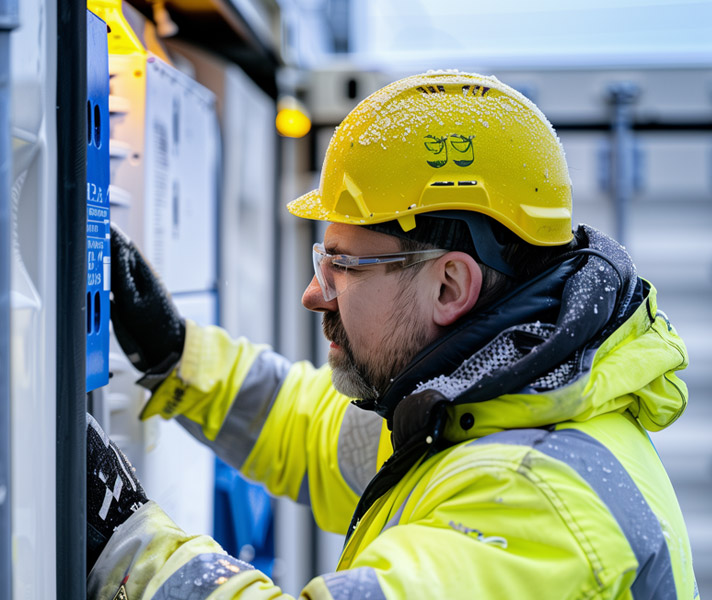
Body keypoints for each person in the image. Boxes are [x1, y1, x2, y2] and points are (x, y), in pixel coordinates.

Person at [87, 71, 698, 599]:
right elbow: (311, 433)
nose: (314, 294)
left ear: (449, 287)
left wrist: (126, 545)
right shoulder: (476, 406)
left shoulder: (535, 499)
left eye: (343, 266)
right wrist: (175, 352)